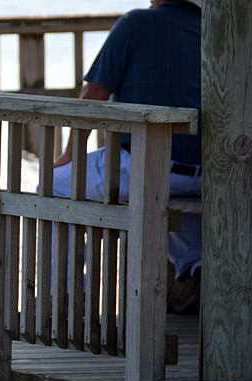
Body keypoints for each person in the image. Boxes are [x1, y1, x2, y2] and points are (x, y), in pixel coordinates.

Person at [53, 0, 202, 314]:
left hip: (147, 165)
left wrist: (71, 155)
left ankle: (65, 298)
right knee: (173, 199)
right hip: (208, 173)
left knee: (55, 185)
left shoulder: (135, 23)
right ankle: (196, 269)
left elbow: (93, 95)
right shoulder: (217, 30)